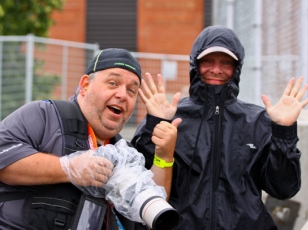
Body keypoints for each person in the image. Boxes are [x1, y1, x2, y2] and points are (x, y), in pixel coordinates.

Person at [131, 25, 308, 229]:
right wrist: (155, 124)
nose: (216, 70)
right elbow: (140, 183)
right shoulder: (171, 117)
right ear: (195, 64)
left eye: (226, 62)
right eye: (208, 61)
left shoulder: (257, 121)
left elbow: (283, 189)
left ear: (237, 68)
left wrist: (284, 132)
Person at [0, 48, 181, 230]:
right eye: (112, 83)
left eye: (132, 90)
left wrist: (164, 158)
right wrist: (68, 168)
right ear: (85, 85)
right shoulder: (45, 115)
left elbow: (153, 214)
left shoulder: (125, 153)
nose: (122, 95)